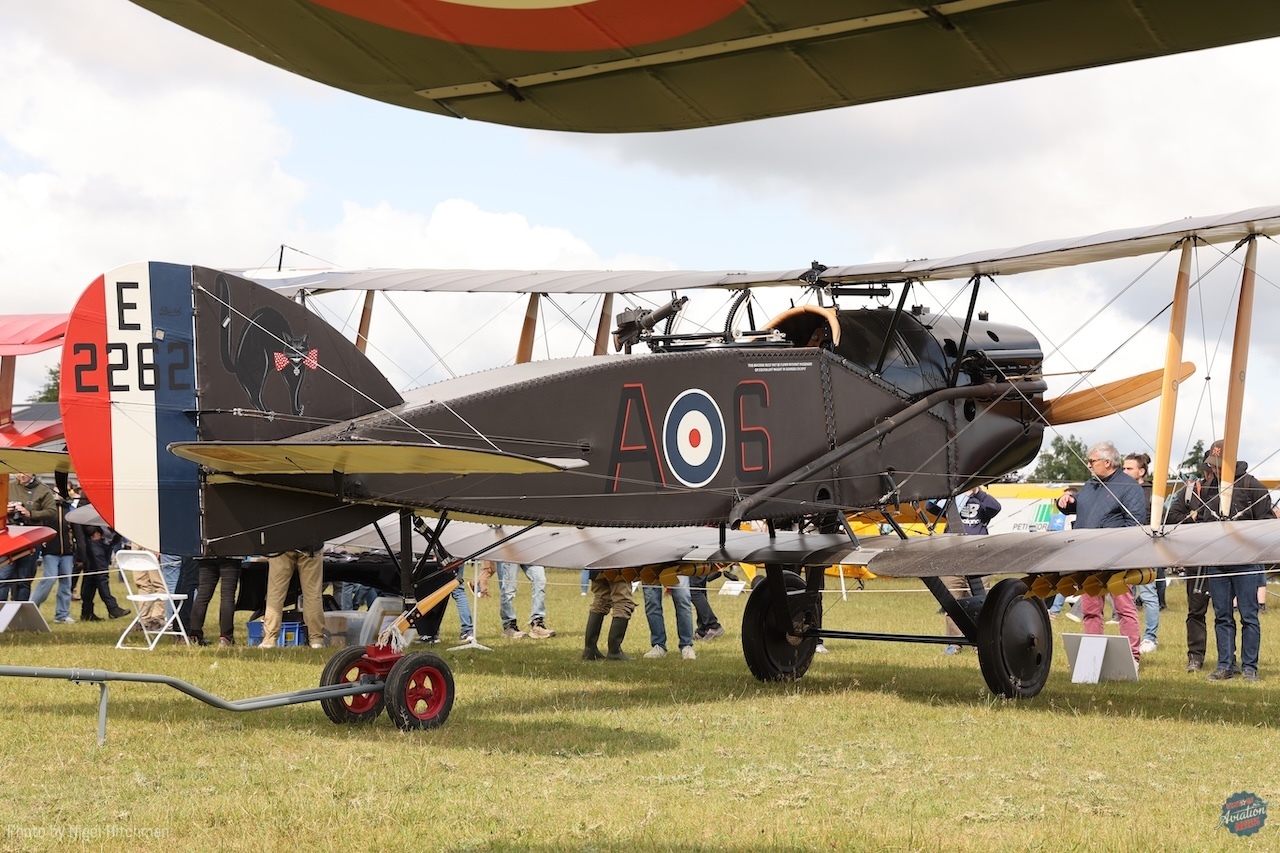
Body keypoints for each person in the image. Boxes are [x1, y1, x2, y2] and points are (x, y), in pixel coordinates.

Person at [1165, 440, 1271, 681]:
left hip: (1246, 561)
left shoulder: (1253, 486)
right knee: (1221, 615)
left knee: (1248, 616)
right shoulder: (1209, 487)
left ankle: (1249, 668)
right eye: (1212, 466)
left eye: (1219, 465)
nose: (1215, 470)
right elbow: (1202, 521)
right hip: (1216, 560)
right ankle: (1225, 665)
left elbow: (1266, 524)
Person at [1056, 440, 1145, 665]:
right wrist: (1066, 502)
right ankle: (1092, 657)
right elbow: (1083, 506)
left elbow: (1135, 523)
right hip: (1089, 558)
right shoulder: (1092, 484)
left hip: (1117, 559)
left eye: (1092, 461)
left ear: (1107, 462)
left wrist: (1107, 541)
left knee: (1125, 609)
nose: (1088, 465)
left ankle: (1132, 658)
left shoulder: (1129, 486)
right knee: (1091, 610)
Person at [941, 487, 1001, 654]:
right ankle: (954, 642)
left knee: (981, 602)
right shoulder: (953, 500)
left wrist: (977, 491)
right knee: (952, 602)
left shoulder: (982, 500)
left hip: (979, 558)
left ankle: (980, 642)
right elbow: (932, 508)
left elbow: (996, 507)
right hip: (951, 557)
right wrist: (955, 494)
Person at [1123, 452, 1160, 654]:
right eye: (1124, 468)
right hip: (1124, 547)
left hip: (1145, 547)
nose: (1125, 471)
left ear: (1141, 471)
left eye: (1129, 468)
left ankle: (1150, 637)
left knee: (1148, 594)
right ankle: (1130, 635)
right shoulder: (1120, 489)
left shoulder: (1152, 492)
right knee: (1124, 593)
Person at [30, 483, 77, 623]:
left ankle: (62, 615)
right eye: (60, 490)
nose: (63, 493)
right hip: (50, 551)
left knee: (66, 583)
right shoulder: (48, 509)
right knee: (49, 579)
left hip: (67, 553)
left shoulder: (71, 510)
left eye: (67, 490)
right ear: (54, 491)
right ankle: (32, 606)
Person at [5, 472, 57, 601]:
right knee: (3, 577)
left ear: (32, 473)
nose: (21, 476)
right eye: (18, 473)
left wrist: (30, 514)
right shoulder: (8, 486)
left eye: (24, 473)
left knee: (24, 578)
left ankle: (19, 612)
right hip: (10, 535)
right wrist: (5, 510)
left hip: (30, 537)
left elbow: (52, 512)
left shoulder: (43, 489)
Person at [261, 547, 326, 649]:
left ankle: (270, 639)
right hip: (311, 544)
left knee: (275, 594)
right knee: (312, 594)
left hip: (282, 544)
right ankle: (316, 639)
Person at [78, 522, 129, 621]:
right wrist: (92, 530)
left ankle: (87, 613)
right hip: (95, 540)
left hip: (108, 540)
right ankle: (112, 608)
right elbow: (83, 513)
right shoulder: (88, 506)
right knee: (101, 575)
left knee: (91, 578)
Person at [188, 556, 243, 646]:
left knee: (203, 595)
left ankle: (195, 635)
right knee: (227, 596)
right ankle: (226, 637)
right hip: (231, 554)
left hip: (207, 554)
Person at [582, 570, 636, 661]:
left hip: (597, 563)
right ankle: (615, 651)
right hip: (618, 565)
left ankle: (590, 649)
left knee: (600, 601)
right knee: (623, 602)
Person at [496, 561, 555, 639]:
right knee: (509, 588)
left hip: (531, 553)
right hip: (511, 553)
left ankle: (537, 624)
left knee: (540, 580)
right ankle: (509, 626)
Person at [643, 573, 696, 660]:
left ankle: (686, 645)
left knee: (683, 599)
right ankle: (658, 645)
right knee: (652, 602)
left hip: (676, 562)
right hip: (649, 563)